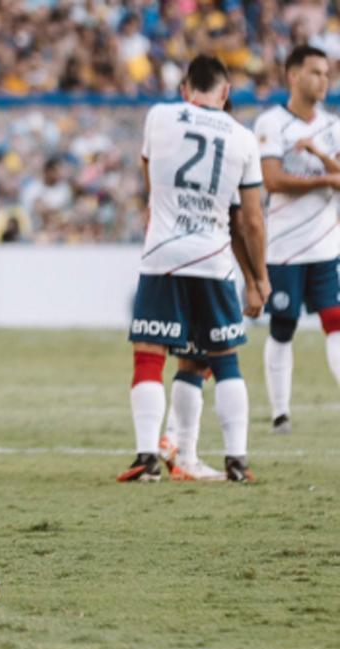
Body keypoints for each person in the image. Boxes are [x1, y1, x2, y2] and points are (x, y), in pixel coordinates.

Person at [118, 55, 269, 485]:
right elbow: (251, 221)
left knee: (149, 355)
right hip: (214, 257)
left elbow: (149, 170)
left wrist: (157, 204)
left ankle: (147, 456)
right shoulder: (242, 137)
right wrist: (258, 279)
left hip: (163, 255)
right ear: (225, 94)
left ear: (185, 89)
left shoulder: (160, 116)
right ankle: (236, 461)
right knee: (223, 362)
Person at [252, 45, 340, 434]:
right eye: (316, 73)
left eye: (327, 73)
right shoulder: (271, 124)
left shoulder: (333, 126)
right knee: (282, 327)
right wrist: (324, 179)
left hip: (326, 244)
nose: (324, 80)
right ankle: (280, 413)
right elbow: (272, 180)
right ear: (293, 76)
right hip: (284, 248)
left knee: (336, 322)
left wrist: (320, 155)